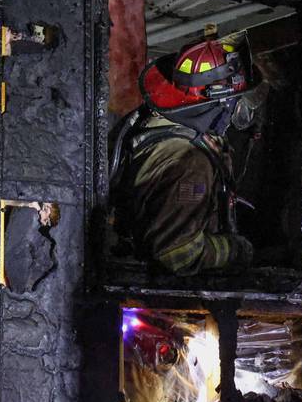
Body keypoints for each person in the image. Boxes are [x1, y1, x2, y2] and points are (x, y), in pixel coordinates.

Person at [110, 33, 264, 274]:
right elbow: (178, 255)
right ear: (218, 103)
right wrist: (235, 249)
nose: (239, 109)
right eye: (236, 100)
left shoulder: (158, 126)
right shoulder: (190, 163)